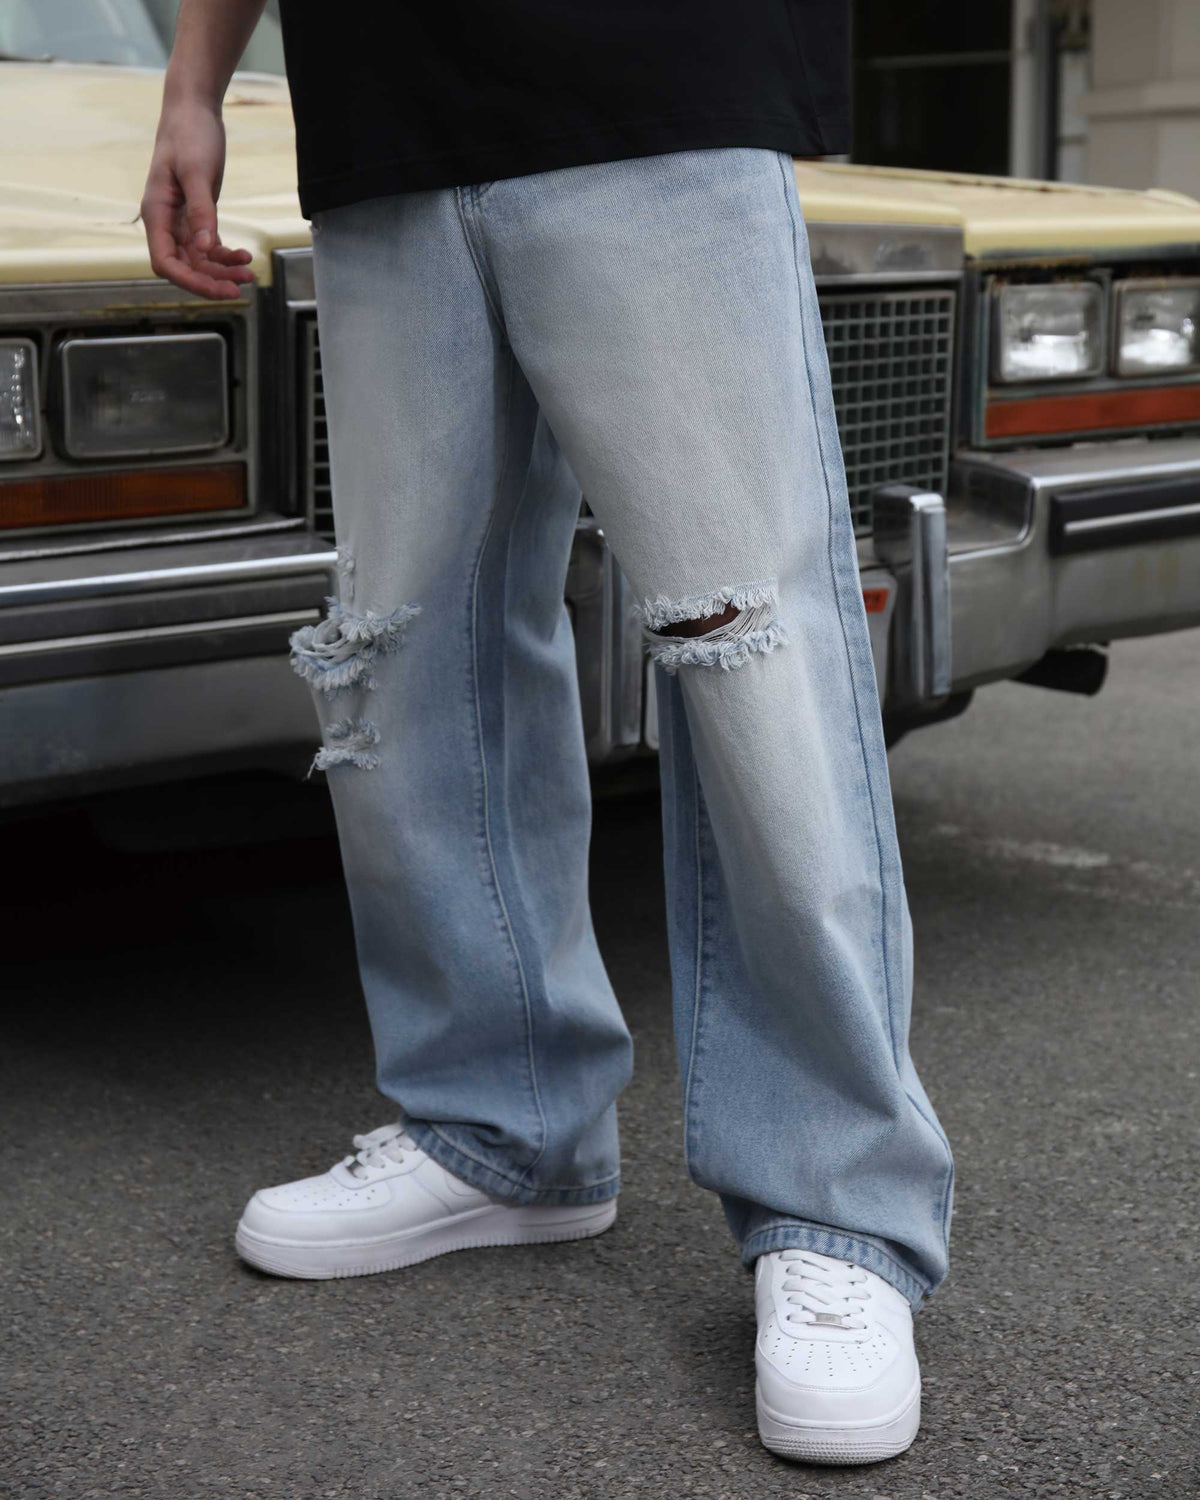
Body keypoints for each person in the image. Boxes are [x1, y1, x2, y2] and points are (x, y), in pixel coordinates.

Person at [143, 0, 954, 1466]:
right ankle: (502, 1130)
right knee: (407, 655)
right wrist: (195, 81)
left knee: (743, 641)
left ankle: (838, 1206)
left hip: (654, 72)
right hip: (383, 110)